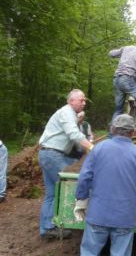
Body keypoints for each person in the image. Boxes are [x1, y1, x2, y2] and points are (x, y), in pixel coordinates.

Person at [74, 114, 136, 256]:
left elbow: (84, 178)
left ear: (112, 129)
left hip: (98, 215)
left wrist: (81, 199)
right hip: (124, 217)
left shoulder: (98, 149)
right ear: (132, 132)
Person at [38, 89, 94, 240]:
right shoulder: (66, 112)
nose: (84, 103)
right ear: (71, 101)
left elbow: (75, 134)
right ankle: (71, 220)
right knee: (71, 183)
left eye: (84, 100)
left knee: (51, 193)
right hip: (52, 155)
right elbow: (74, 135)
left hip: (48, 154)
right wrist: (92, 149)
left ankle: (46, 229)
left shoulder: (70, 114)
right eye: (81, 100)